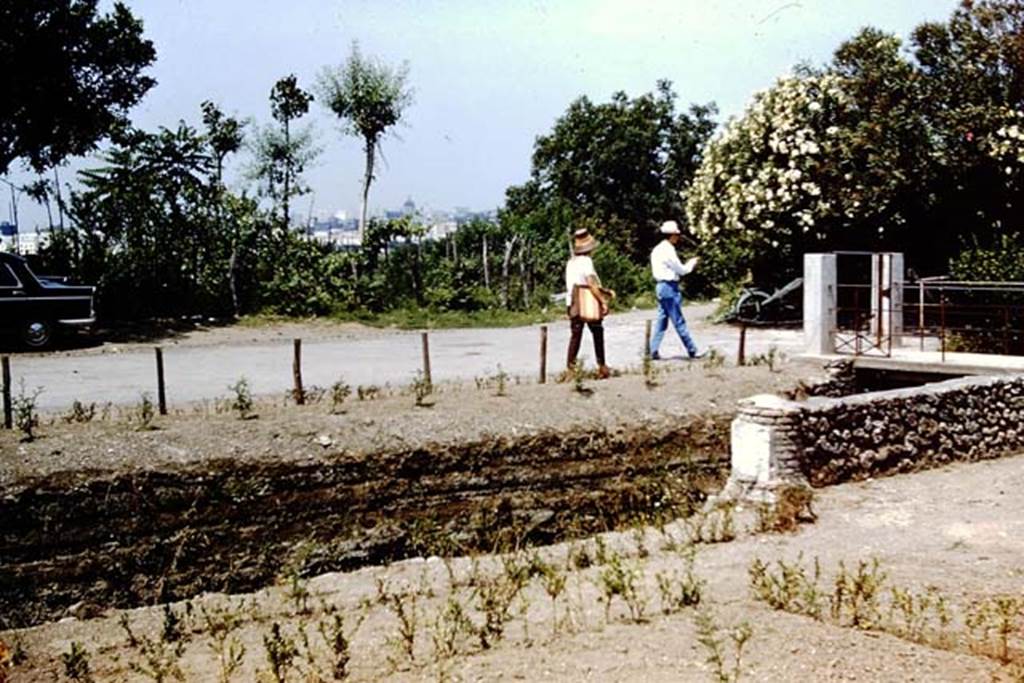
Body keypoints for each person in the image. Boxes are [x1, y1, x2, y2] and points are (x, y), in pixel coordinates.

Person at [649, 220, 707, 360]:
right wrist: (692, 263)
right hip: (669, 286)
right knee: (678, 320)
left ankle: (653, 350)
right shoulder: (668, 250)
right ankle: (692, 350)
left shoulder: (657, 249)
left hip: (660, 286)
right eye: (676, 234)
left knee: (662, 320)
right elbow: (681, 270)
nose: (678, 237)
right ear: (672, 235)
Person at [564, 228, 615, 379]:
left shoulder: (570, 262)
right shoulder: (587, 262)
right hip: (587, 301)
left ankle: (571, 368)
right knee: (597, 332)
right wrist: (603, 301)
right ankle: (602, 366)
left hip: (572, 302)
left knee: (576, 335)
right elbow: (591, 283)